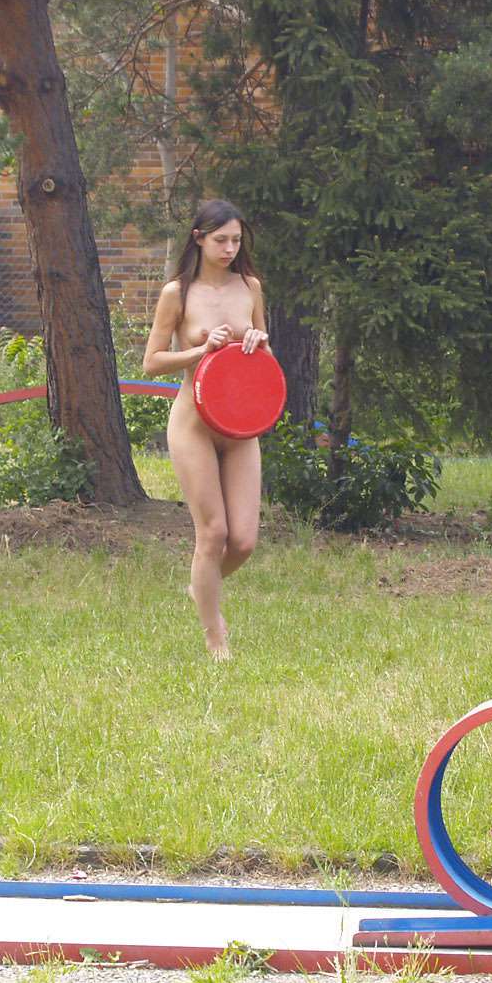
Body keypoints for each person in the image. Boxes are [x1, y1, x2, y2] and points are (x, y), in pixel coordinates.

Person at [142, 200, 270, 659]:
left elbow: (267, 362)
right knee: (213, 533)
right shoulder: (177, 292)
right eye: (221, 240)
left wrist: (258, 341)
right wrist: (200, 351)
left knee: (244, 541)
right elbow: (152, 362)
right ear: (198, 238)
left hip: (240, 426)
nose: (230, 249)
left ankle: (201, 587)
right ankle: (216, 637)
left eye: (236, 240)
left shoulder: (250, 287)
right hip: (193, 424)